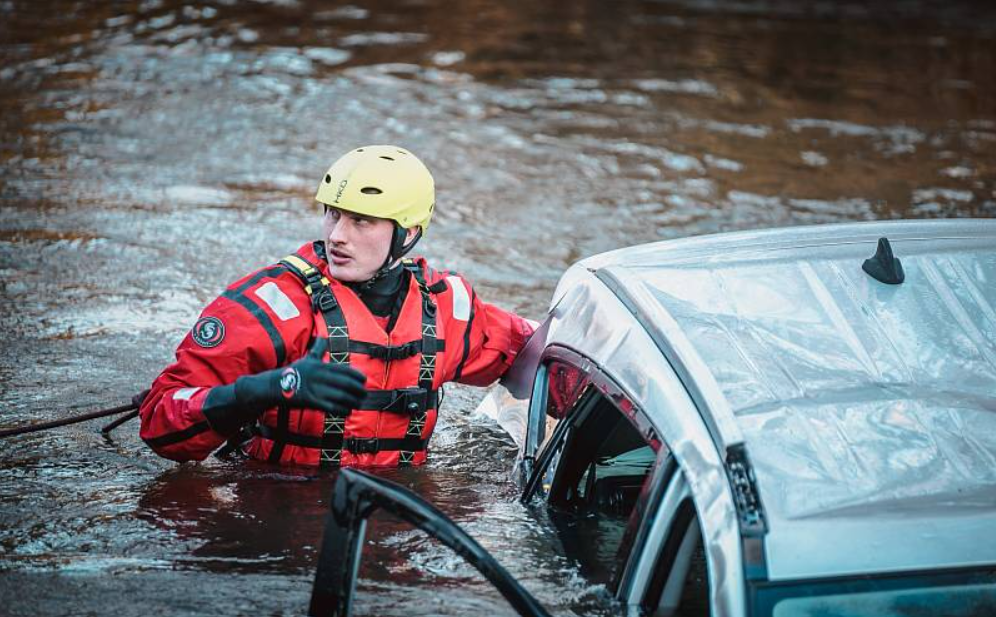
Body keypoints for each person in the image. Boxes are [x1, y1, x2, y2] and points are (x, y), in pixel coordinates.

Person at [139, 146, 535, 467]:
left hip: (396, 515)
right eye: (332, 214)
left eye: (362, 221)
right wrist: (269, 388)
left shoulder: (449, 307)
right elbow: (159, 422)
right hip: (279, 505)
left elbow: (543, 354)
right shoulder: (271, 307)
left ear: (408, 233)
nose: (338, 236)